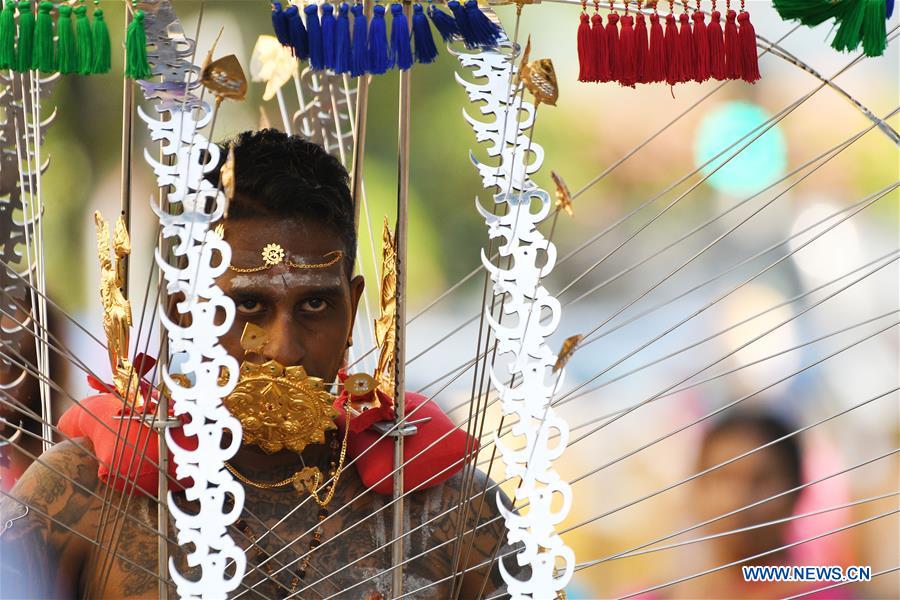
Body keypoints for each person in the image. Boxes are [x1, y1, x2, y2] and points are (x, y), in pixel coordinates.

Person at [0, 130, 513, 598]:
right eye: (248, 306)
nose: (284, 348)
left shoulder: (448, 506)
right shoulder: (81, 495)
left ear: (353, 308)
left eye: (315, 305)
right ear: (184, 310)